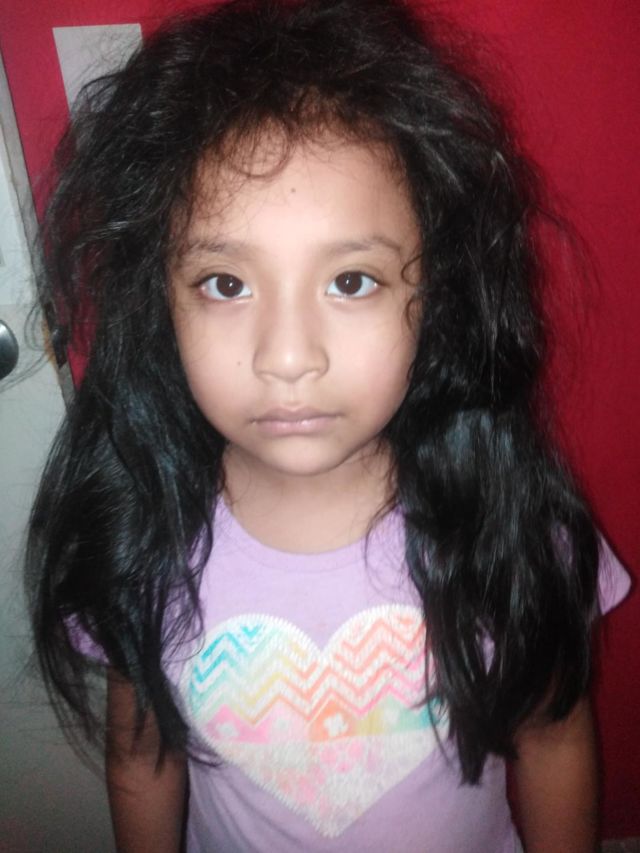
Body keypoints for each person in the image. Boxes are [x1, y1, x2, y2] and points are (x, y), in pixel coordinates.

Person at [26, 0, 629, 850]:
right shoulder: (146, 541)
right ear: (160, 303)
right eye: (226, 283)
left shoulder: (511, 528)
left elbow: (554, 737)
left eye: (351, 281)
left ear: (437, 296)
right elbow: (140, 758)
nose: (287, 356)